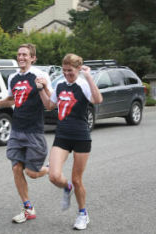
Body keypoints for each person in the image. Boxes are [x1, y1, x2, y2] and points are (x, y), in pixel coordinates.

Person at [0, 43, 53, 223]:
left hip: (34, 131)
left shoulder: (40, 75)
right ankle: (28, 208)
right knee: (16, 168)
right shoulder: (13, 78)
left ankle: (49, 169)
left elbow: (50, 103)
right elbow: (11, 99)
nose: (21, 57)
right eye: (19, 54)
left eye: (25, 54)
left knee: (32, 172)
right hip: (17, 129)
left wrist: (45, 87)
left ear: (33, 58)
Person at [36, 53, 103, 230]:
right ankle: (67, 187)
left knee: (78, 179)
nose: (66, 74)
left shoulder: (83, 84)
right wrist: (41, 89)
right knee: (54, 176)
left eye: (70, 71)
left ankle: (82, 214)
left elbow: (97, 100)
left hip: (81, 137)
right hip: (62, 136)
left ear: (79, 70)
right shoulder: (59, 85)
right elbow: (50, 106)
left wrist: (89, 78)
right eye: (64, 70)